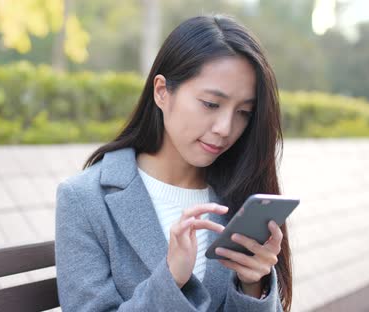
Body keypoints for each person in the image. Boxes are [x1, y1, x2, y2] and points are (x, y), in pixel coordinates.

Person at [55, 14, 292, 312]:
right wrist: (171, 280)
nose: (225, 127)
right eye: (211, 104)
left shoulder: (238, 196)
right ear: (161, 92)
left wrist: (253, 285)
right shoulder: (85, 199)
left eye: (244, 112)